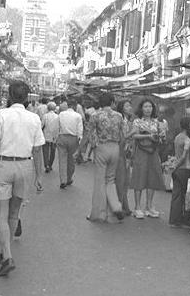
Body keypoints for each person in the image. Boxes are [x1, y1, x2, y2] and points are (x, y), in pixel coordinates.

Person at [0, 81, 45, 276]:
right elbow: (37, 149)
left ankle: (8, 255)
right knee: (14, 213)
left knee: (1, 214)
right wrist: (39, 175)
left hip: (4, 165)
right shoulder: (34, 118)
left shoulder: (1, 115)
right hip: (25, 167)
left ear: (9, 95)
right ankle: (5, 252)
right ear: (27, 97)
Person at [86, 93, 126, 223]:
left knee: (100, 181)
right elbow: (123, 134)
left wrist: (93, 148)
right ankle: (115, 206)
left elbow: (91, 134)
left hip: (102, 148)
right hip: (115, 148)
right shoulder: (119, 116)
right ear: (112, 102)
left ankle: (99, 214)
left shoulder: (95, 116)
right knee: (110, 180)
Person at [130, 98, 166, 218]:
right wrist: (149, 135)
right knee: (139, 177)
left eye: (150, 107)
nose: (148, 109)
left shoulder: (157, 122)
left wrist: (160, 136)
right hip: (141, 152)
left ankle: (149, 206)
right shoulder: (137, 122)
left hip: (153, 152)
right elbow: (133, 135)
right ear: (141, 108)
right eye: (145, 106)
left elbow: (162, 138)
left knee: (152, 178)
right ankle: (137, 207)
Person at [169, 117, 190, 228]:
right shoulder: (187, 140)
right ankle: (180, 219)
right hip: (184, 168)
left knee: (176, 195)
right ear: (189, 125)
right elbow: (184, 156)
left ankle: (173, 219)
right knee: (183, 195)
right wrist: (177, 165)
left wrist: (174, 166)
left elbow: (177, 154)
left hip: (177, 169)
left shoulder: (177, 137)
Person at [57, 97, 84, 189]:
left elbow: (57, 126)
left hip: (62, 137)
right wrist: (80, 142)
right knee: (71, 160)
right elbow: (80, 131)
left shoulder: (61, 114)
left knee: (62, 160)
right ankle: (69, 178)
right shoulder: (78, 116)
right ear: (74, 106)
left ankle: (63, 180)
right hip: (73, 139)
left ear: (68, 105)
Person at [116, 99, 135, 215]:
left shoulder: (128, 121)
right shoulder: (121, 121)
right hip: (121, 152)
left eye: (130, 106)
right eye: (127, 106)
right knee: (121, 180)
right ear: (122, 108)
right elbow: (122, 138)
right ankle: (119, 206)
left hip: (127, 153)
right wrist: (132, 133)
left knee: (125, 180)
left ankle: (124, 205)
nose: (130, 108)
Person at [41, 102, 60, 174]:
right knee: (53, 151)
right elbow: (59, 127)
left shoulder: (45, 116)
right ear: (54, 108)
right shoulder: (57, 116)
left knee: (45, 151)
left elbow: (41, 125)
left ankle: (46, 165)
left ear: (48, 108)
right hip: (54, 136)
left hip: (46, 135)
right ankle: (50, 164)